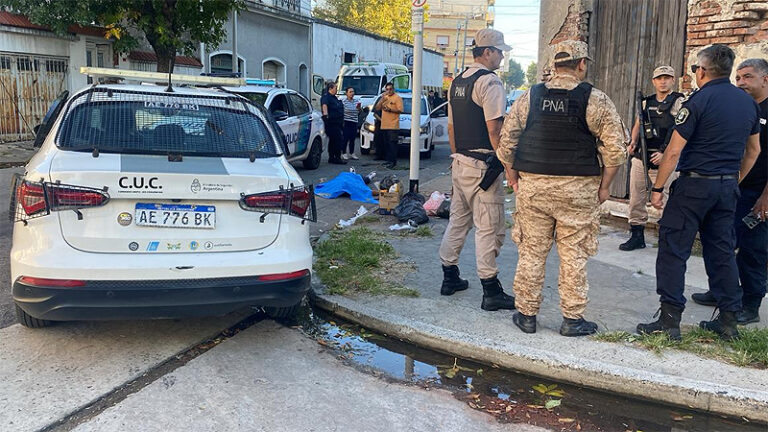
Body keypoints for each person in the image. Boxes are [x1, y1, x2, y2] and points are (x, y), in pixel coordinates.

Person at [497, 40, 629, 336]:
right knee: (573, 255)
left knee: (531, 252)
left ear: (553, 66)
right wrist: (605, 187)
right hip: (579, 190)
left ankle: (527, 315)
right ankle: (572, 320)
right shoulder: (595, 99)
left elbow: (506, 144)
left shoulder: (529, 97)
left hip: (534, 188)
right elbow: (616, 150)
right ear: (582, 64)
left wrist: (514, 178)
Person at [636, 45, 761, 341]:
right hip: (727, 187)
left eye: (694, 70)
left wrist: (657, 188)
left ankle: (669, 323)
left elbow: (673, 150)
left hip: (694, 187)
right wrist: (734, 180)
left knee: (673, 250)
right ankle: (728, 322)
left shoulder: (697, 101)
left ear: (702, 71)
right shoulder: (748, 104)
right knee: (721, 252)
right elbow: (753, 150)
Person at [438, 28, 515, 312]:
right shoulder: (490, 82)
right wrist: (509, 167)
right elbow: (495, 129)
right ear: (487, 52)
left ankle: (450, 277)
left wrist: (457, 155)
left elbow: (451, 127)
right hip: (483, 167)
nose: (502, 57)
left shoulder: (457, 82)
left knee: (458, 221)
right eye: (499, 51)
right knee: (489, 228)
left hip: (460, 164)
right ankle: (491, 290)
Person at [691, 58, 768, 325]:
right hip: (731, 188)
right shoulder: (742, 106)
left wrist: (765, 198)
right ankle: (721, 290)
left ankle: (750, 304)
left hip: (758, 194)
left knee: (753, 251)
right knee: (721, 243)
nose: (741, 83)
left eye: (747, 77)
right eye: (738, 78)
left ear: (764, 80)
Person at [620, 66, 684, 251]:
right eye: (659, 78)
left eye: (667, 78)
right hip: (642, 156)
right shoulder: (645, 102)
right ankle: (637, 235)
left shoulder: (679, 101)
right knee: (636, 197)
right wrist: (632, 142)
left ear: (673, 80)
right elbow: (638, 124)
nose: (663, 81)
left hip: (665, 158)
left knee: (666, 199)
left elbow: (679, 130)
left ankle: (668, 241)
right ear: (654, 81)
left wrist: (665, 152)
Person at [373, 82, 403, 168]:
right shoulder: (385, 98)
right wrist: (382, 99)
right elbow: (377, 108)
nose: (389, 91)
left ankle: (393, 161)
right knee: (386, 144)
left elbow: (400, 110)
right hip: (384, 125)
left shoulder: (397, 98)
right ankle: (388, 160)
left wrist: (390, 110)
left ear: (393, 89)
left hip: (393, 125)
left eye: (390, 89)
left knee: (392, 144)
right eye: (387, 89)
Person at [321, 81, 346, 165]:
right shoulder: (326, 97)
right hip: (332, 122)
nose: (336, 89)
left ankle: (332, 157)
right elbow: (324, 106)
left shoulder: (334, 98)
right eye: (335, 88)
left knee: (333, 141)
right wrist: (326, 115)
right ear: (330, 88)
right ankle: (337, 157)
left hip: (338, 122)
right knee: (338, 140)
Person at [341, 87, 361, 160]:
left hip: (354, 121)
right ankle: (344, 153)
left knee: (352, 138)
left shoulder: (356, 101)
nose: (352, 93)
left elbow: (358, 111)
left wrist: (359, 109)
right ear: (346, 93)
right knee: (345, 138)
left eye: (353, 92)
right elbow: (342, 111)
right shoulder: (343, 101)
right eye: (350, 92)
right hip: (346, 121)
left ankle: (352, 153)